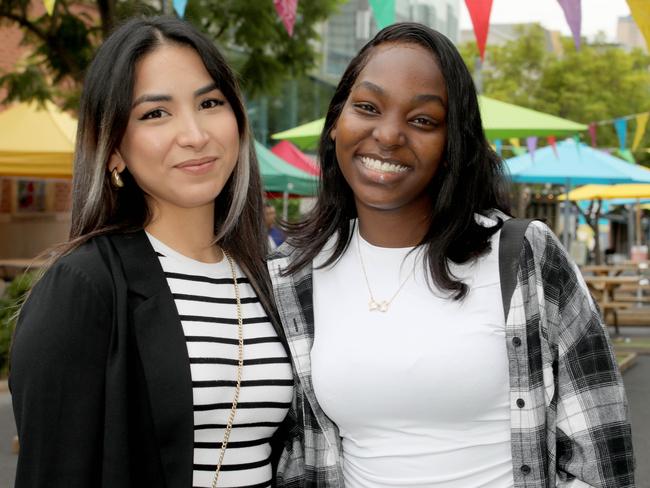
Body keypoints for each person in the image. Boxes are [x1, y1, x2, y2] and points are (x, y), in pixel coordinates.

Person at [268, 22, 635, 487]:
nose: (388, 134)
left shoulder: (525, 257)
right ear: (338, 120)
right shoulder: (291, 278)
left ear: (451, 144)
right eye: (367, 107)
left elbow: (602, 458)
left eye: (422, 120)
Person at [10, 16, 293, 488]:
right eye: (155, 113)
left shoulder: (268, 277)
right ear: (114, 149)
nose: (195, 134)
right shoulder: (85, 287)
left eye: (209, 102)